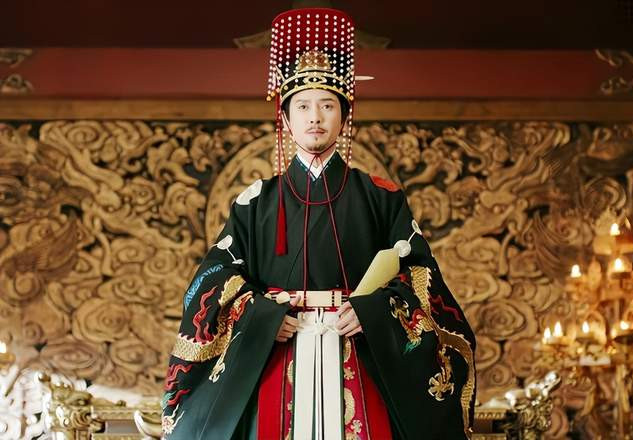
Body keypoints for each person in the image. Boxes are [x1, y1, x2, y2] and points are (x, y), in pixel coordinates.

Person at [162, 7, 476, 440]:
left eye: (327, 106)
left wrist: (375, 312)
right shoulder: (256, 202)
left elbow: (421, 276)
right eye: (303, 106)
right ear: (286, 119)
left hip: (358, 348)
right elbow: (215, 279)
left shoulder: (381, 196)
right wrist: (262, 317)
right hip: (278, 349)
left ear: (344, 116)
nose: (315, 117)